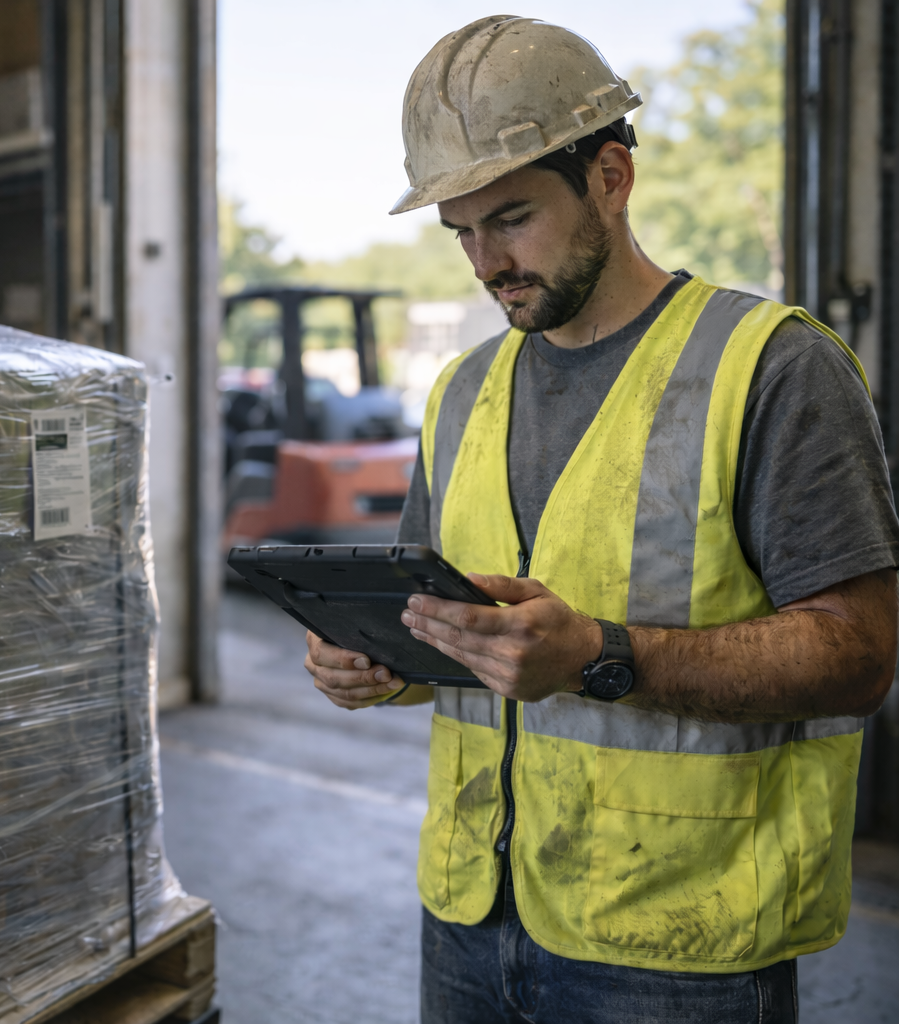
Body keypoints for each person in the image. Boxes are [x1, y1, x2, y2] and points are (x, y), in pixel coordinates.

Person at [301, 16, 899, 1024]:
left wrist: (595, 654)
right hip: (470, 913)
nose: (486, 262)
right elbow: (453, 623)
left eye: (513, 218)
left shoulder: (774, 368)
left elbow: (858, 656)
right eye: (461, 233)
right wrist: (379, 662)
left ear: (611, 176)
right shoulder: (461, 393)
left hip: (678, 939)